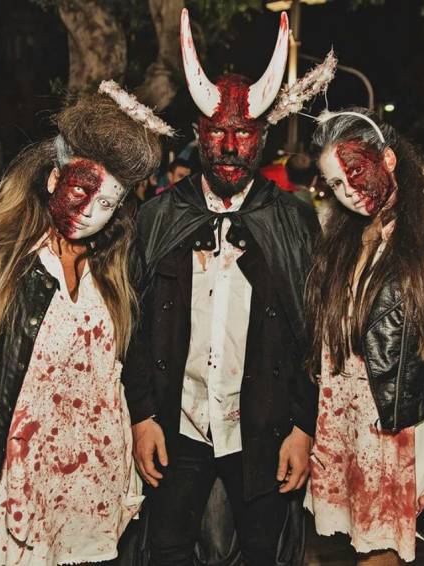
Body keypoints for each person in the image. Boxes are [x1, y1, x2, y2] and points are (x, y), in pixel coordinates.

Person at [0, 86, 168, 564]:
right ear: (54, 177)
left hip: (99, 474)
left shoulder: (114, 268)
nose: (89, 212)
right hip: (23, 481)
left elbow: (126, 361)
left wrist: (143, 418)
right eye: (81, 191)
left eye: (107, 204)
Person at [122, 9, 320, 565]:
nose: (230, 146)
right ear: (198, 135)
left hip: (263, 429)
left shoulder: (294, 220)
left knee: (261, 551)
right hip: (177, 425)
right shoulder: (159, 216)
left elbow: (315, 334)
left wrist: (302, 426)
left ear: (263, 137)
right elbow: (132, 324)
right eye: (216, 132)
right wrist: (142, 415)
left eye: (244, 133)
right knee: (167, 550)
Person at [304, 108, 424, 564]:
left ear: (388, 159)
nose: (348, 191)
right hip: (343, 426)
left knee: (379, 557)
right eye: (335, 184)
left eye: (355, 171)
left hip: (395, 436)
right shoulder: (344, 243)